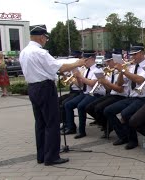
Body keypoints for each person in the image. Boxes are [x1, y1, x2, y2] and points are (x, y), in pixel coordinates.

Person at [19, 24, 86, 166]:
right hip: (45, 88)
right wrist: (77, 63)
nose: (46, 41)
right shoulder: (40, 52)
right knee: (52, 122)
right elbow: (59, 67)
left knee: (40, 123)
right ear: (42, 37)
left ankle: (42, 155)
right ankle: (52, 157)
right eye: (46, 38)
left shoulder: (24, 51)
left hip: (33, 87)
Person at [104, 43, 145, 150]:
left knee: (125, 114)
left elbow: (139, 80)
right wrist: (121, 72)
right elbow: (120, 84)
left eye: (135, 54)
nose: (133, 57)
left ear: (142, 53)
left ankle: (133, 140)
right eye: (132, 54)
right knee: (108, 110)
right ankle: (123, 136)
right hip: (131, 97)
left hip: (144, 98)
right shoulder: (131, 66)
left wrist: (123, 70)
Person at [85, 50, 128, 138]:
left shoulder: (123, 70)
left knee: (102, 108)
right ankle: (106, 125)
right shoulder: (111, 71)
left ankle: (118, 131)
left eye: (109, 61)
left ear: (115, 60)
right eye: (107, 61)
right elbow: (108, 89)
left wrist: (106, 82)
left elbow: (120, 90)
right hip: (112, 94)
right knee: (89, 107)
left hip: (122, 96)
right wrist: (103, 82)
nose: (108, 64)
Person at [62, 52, 102, 139]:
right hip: (85, 93)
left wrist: (80, 76)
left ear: (92, 59)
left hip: (95, 94)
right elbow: (80, 86)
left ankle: (82, 131)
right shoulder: (86, 70)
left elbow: (92, 84)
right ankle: (70, 127)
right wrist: (76, 78)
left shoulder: (98, 70)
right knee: (67, 104)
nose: (84, 62)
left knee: (81, 106)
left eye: (86, 60)